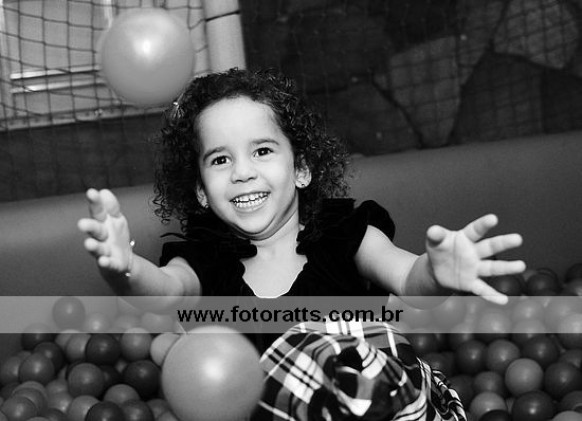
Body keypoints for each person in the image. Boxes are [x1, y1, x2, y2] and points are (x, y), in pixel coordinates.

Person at [78, 68, 524, 420]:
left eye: (262, 151)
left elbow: (408, 278)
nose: (242, 172)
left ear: (301, 170)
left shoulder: (345, 235)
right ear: (200, 191)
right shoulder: (204, 259)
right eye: (220, 159)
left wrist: (436, 272)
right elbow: (165, 290)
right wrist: (124, 269)